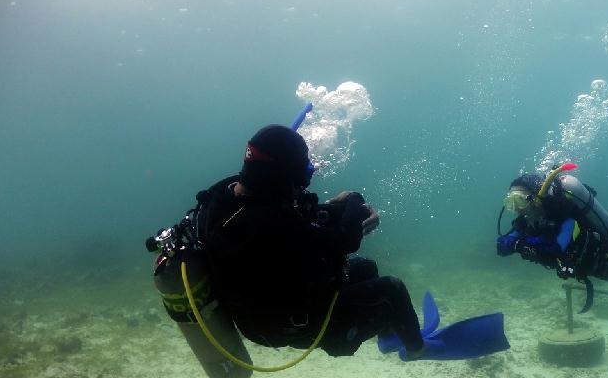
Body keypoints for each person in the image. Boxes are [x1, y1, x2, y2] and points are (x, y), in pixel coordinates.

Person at [191, 124, 507, 362]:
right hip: (287, 323)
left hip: (267, 304)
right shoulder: (266, 221)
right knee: (391, 289)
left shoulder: (225, 197)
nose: (306, 179)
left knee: (367, 268)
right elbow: (343, 241)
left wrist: (329, 206)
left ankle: (387, 336)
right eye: (303, 171)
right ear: (281, 174)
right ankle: (417, 349)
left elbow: (292, 220)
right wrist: (353, 199)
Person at [496, 164, 608, 313]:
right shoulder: (526, 222)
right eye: (510, 202)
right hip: (594, 271)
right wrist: (520, 244)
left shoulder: (565, 215)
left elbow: (556, 249)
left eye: (519, 200)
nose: (516, 208)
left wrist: (519, 244)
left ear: (534, 197)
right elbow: (501, 247)